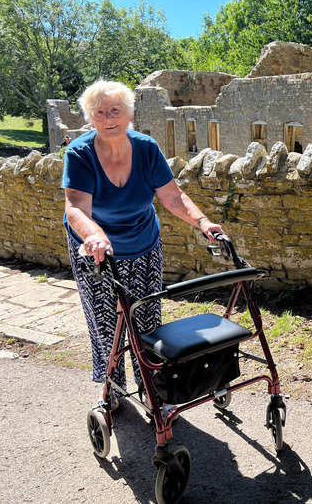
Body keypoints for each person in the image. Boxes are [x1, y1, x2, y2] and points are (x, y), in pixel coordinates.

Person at [62, 79, 223, 407]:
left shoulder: (147, 148)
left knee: (147, 322)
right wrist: (94, 236)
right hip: (96, 250)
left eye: (115, 110)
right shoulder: (79, 153)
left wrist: (203, 222)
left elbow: (172, 196)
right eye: (100, 112)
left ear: (129, 115)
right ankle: (113, 390)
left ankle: (151, 387)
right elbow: (76, 207)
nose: (108, 117)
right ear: (91, 119)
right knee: (107, 324)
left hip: (143, 244)